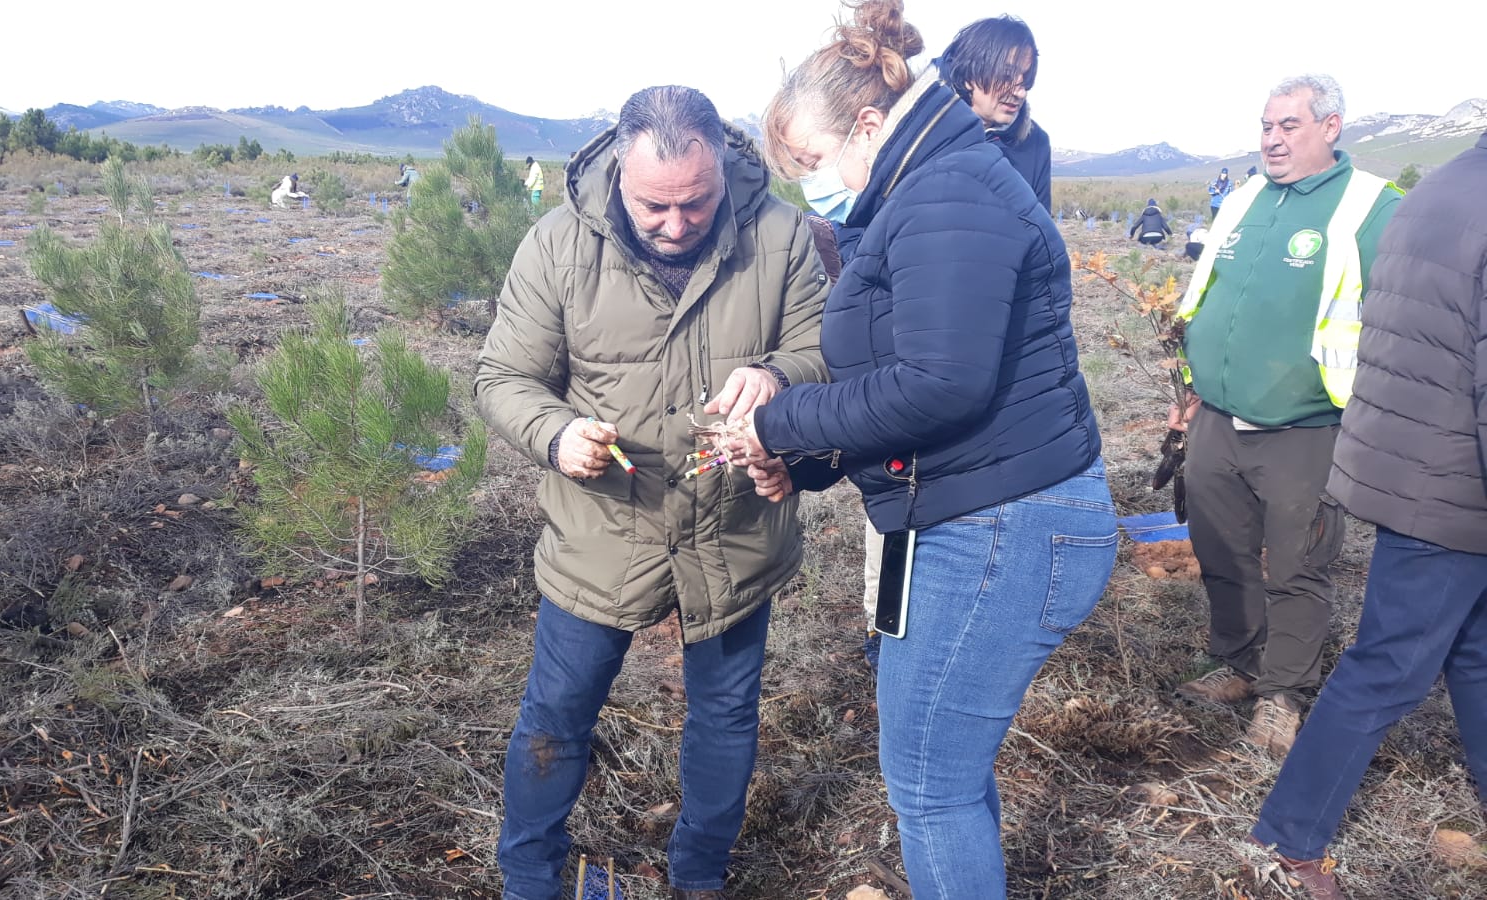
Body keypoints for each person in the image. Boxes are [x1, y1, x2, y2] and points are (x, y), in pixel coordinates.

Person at [729, 2, 1116, 895]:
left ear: (869, 124)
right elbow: (912, 381)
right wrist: (811, 459)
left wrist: (777, 422)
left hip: (999, 529)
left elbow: (943, 384)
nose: (811, 188)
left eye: (815, 163)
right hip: (969, 514)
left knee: (929, 790)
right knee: (945, 775)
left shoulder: (947, 192)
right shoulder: (924, 187)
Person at [474, 85, 829, 900]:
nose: (675, 225)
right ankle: (529, 879)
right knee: (558, 717)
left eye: (696, 205)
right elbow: (504, 377)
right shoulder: (558, 245)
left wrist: (778, 376)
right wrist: (555, 434)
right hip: (602, 532)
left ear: (722, 171)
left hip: (734, 528)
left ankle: (698, 877)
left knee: (727, 716)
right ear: (618, 176)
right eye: (653, 207)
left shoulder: (778, 236)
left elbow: (824, 351)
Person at [1243, 128, 1487, 900]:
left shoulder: (1442, 186)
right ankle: (1289, 836)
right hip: (1453, 479)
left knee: (1476, 652)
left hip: (1419, 459)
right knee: (1387, 664)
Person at [1170, 74, 1403, 757]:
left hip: (1306, 424)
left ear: (1330, 128)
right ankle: (1240, 663)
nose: (1272, 138)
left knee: (1298, 564)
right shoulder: (1244, 198)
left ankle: (1283, 694)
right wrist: (1189, 384)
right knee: (1219, 547)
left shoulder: (1372, 208)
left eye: (1289, 126)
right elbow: (1208, 293)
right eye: (1266, 126)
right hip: (1216, 413)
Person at [846, 11, 1060, 672]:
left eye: (1026, 78)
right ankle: (886, 624)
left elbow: (1037, 238)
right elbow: (867, 232)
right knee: (900, 475)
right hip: (910, 334)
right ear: (967, 70)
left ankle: (960, 615)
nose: (1017, 89)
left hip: (992, 343)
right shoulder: (917, 135)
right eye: (1005, 74)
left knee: (969, 483)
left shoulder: (1032, 146)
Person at [935, 14, 1052, 212]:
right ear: (968, 75)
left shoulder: (1035, 143)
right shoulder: (922, 128)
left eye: (1025, 79)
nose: (1020, 92)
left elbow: (1040, 235)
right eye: (1006, 75)